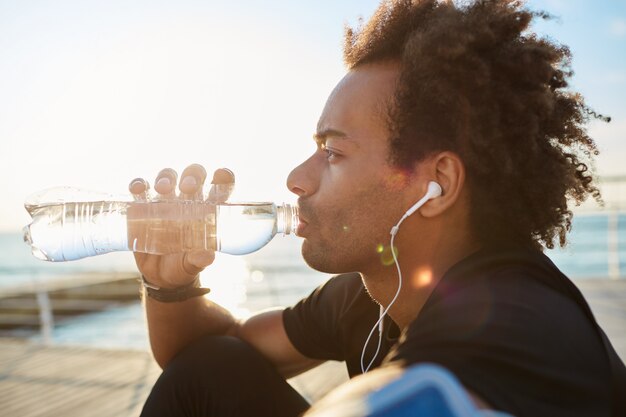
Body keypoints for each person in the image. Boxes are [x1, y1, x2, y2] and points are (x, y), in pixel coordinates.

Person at [131, 1, 626, 416]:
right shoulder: (376, 290)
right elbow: (200, 353)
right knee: (209, 367)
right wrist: (170, 286)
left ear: (438, 185)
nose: (296, 180)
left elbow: (421, 397)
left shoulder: (515, 322)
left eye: (333, 153)